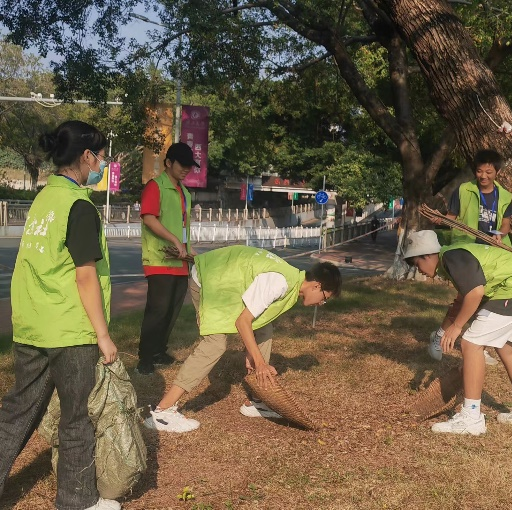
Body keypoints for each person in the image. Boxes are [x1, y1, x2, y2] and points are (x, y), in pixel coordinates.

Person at [0, 121, 121, 510]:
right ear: (87, 156)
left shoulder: (43, 200)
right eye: (101, 157)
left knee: (18, 411)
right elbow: (85, 277)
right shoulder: (79, 206)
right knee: (76, 418)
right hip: (69, 331)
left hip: (33, 324)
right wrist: (103, 336)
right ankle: (77, 500)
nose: (103, 164)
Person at [143, 246, 342, 433]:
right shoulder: (279, 283)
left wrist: (252, 352)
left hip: (224, 281)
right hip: (209, 281)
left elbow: (257, 319)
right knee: (215, 344)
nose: (322, 303)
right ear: (317, 286)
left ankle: (257, 401)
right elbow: (243, 322)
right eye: (325, 298)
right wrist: (260, 362)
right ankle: (163, 412)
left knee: (264, 329)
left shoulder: (291, 282)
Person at [404, 230, 512, 436]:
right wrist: (441, 332)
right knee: (506, 348)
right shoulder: (455, 258)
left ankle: (471, 418)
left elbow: (475, 293)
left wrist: (457, 328)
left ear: (427, 255)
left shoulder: (452, 257)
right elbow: (460, 302)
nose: (419, 271)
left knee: (470, 343)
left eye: (417, 264)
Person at [431, 149, 512, 366]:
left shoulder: (504, 196)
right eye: (479, 171)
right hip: (467, 251)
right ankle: (439, 335)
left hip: (492, 253)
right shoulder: (463, 190)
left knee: (488, 301)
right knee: (463, 298)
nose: (484, 176)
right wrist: (441, 220)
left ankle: (480, 346)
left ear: (497, 172)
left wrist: (501, 235)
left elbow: (506, 224)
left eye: (489, 171)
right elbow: (452, 217)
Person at [137, 142, 197, 375]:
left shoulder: (185, 193)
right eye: (182, 165)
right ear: (169, 163)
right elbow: (149, 218)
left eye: (189, 166)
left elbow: (183, 225)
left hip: (181, 261)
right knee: (157, 310)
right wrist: (173, 240)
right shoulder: (156, 186)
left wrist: (188, 250)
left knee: (172, 310)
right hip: (160, 259)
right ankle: (145, 357)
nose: (186, 169)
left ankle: (159, 351)